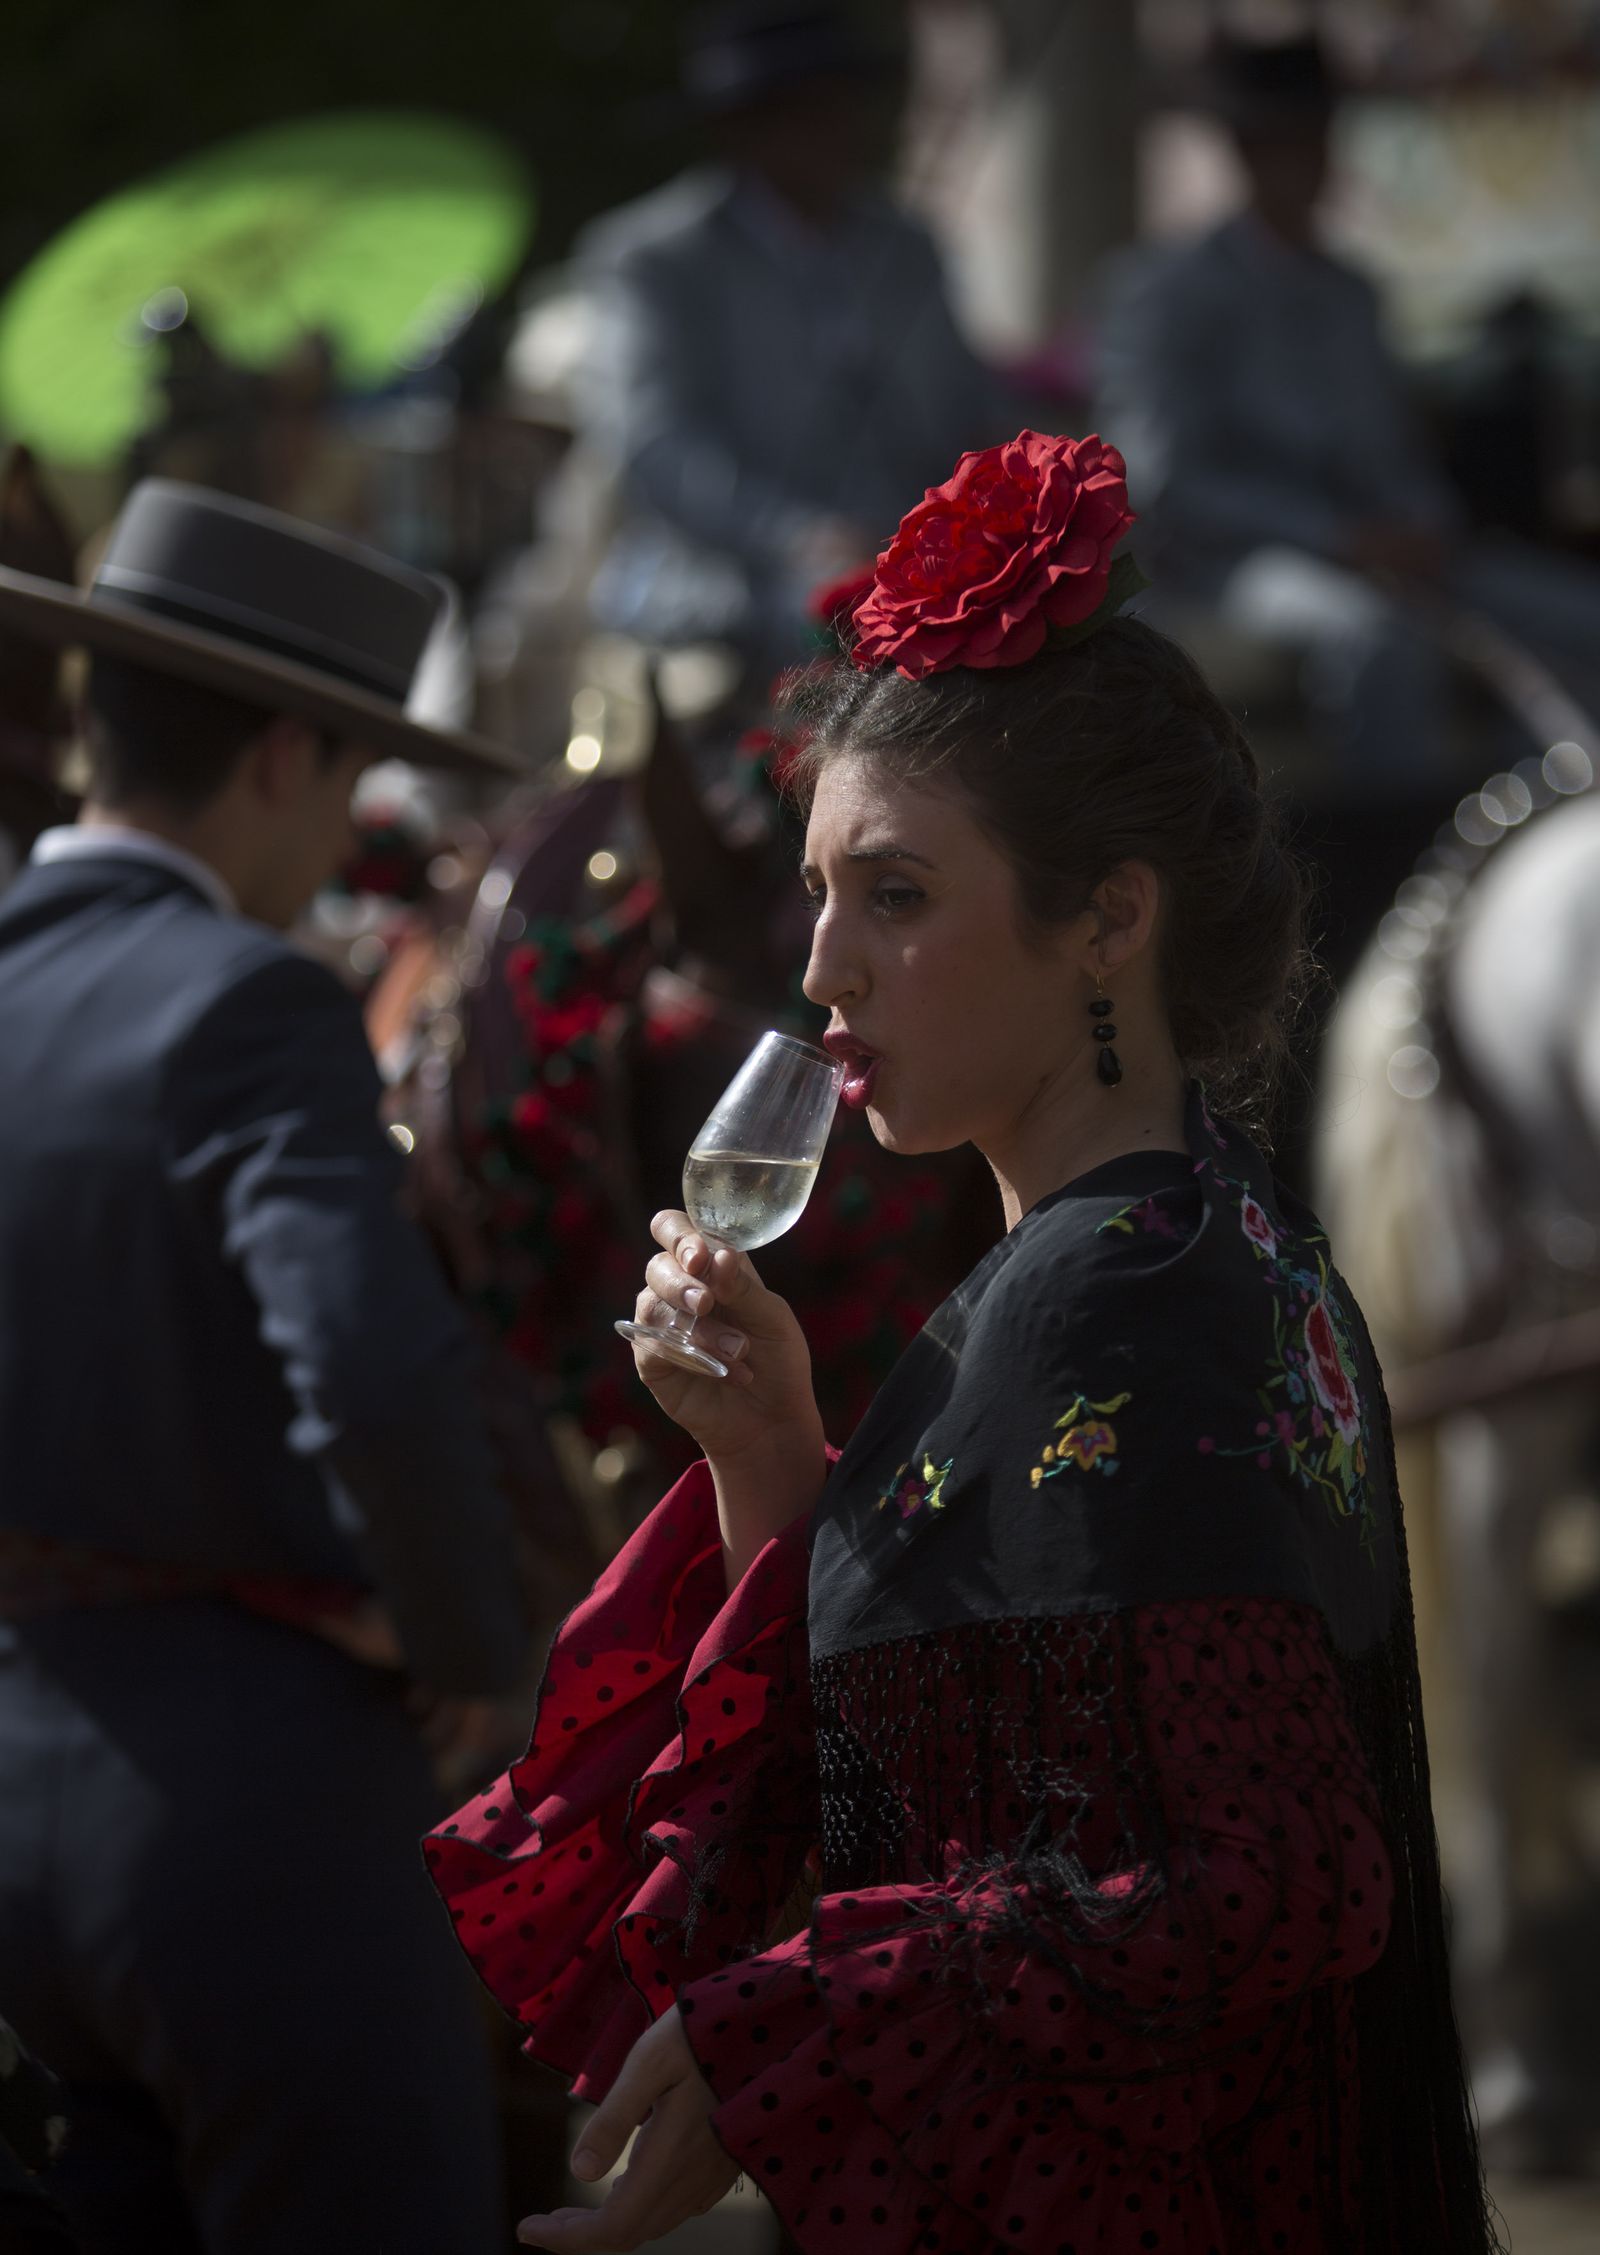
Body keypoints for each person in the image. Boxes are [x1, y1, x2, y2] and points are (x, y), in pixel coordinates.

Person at [424, 431, 1498, 2251]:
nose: (822, 966)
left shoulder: (1113, 1293)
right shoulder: (1218, 1236)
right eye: (821, 889)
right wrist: (773, 1460)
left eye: (897, 894)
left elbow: (1277, 1875)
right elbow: (967, 1760)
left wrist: (806, 2027)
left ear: (1110, 921)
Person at [0, 480, 532, 2255]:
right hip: (248, 1816)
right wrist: (467, 1648)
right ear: (290, 756)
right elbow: (372, 1369)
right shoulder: (248, 999)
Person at [1094, 34, 1600, 950]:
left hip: (1391, 549)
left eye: (1319, 138)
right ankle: (1395, 913)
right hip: (1237, 565)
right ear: (1247, 152)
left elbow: (1394, 455)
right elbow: (1163, 478)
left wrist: (1419, 525)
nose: (1309, 162)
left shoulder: (1351, 292)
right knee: (1377, 642)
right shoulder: (1168, 290)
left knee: (1574, 614)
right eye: (1287, 140)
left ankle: (1554, 850)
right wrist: (1338, 538)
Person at [575, 0, 1005, 676]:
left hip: (914, 560)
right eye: (805, 110)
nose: (836, 129)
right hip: (729, 581)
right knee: (840, 623)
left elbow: (968, 411)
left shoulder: (907, 248)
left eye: (842, 103)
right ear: (742, 127)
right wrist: (795, 534)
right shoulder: (658, 260)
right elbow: (656, 446)